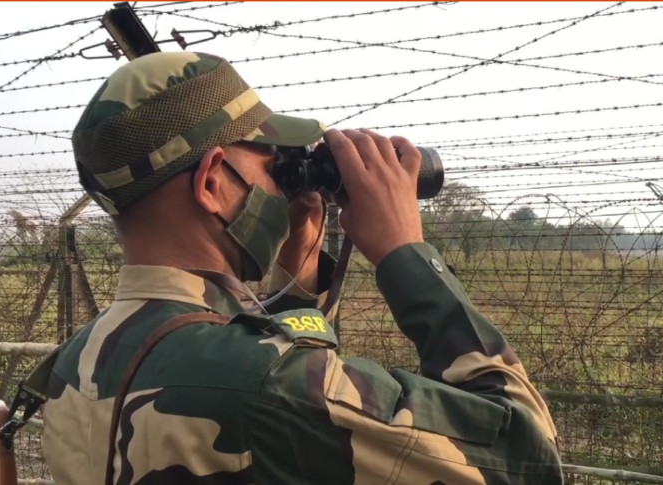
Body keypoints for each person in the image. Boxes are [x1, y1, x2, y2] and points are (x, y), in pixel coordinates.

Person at [36, 51, 562, 485]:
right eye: (272, 165)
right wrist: (404, 251)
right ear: (213, 182)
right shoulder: (274, 385)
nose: (279, 186)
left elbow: (244, 385)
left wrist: (297, 263)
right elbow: (525, 458)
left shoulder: (72, 363)